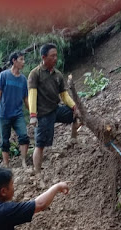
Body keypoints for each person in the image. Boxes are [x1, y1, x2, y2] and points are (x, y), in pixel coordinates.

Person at [28, 43, 78, 189]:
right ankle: (37, 173)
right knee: (40, 144)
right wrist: (33, 115)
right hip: (43, 114)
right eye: (52, 56)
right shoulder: (35, 74)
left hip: (55, 109)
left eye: (56, 55)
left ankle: (73, 139)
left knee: (75, 115)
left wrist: (75, 107)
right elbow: (32, 94)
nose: (55, 58)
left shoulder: (57, 75)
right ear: (44, 57)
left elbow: (64, 95)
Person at [0, 51, 29, 169]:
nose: (23, 62)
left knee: (23, 136)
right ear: (14, 61)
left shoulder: (23, 79)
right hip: (4, 114)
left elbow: (25, 98)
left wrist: (33, 113)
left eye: (24, 59)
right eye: (21, 59)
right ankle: (6, 165)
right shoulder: (4, 75)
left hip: (18, 113)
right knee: (4, 141)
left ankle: (24, 161)